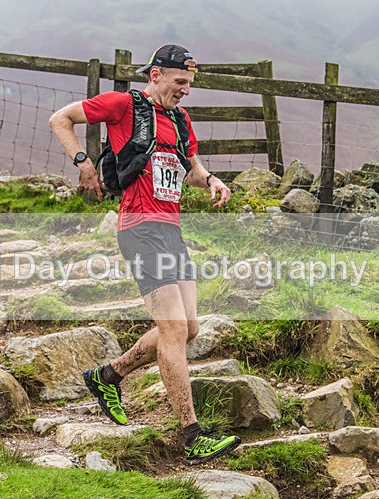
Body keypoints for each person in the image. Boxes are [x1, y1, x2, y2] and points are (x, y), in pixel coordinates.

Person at [49, 44, 240, 465]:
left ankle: (108, 375)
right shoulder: (122, 105)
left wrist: (211, 181)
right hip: (138, 228)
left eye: (190, 84)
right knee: (173, 330)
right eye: (180, 82)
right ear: (156, 75)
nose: (186, 91)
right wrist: (82, 162)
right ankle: (192, 436)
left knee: (187, 327)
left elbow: (189, 169)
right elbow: (59, 118)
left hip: (171, 230)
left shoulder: (179, 119)